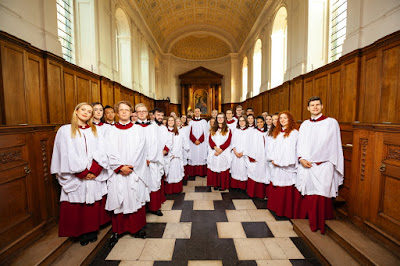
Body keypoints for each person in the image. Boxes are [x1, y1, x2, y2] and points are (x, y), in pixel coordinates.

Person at [51, 102, 109, 246]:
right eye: (83, 110)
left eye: (89, 111)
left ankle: (91, 230)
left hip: (93, 174)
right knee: (77, 203)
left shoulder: (95, 130)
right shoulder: (65, 130)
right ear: (76, 111)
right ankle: (80, 232)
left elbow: (102, 151)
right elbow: (64, 153)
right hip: (75, 175)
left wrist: (94, 170)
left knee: (91, 203)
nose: (86, 113)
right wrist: (81, 172)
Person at [296, 96, 344, 234]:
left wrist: (319, 158)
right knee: (311, 195)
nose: (315, 107)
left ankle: (322, 224)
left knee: (322, 195)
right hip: (308, 164)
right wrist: (301, 158)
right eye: (312, 105)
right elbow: (301, 144)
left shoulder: (331, 123)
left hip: (324, 164)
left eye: (317, 105)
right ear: (308, 108)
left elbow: (332, 144)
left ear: (322, 106)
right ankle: (313, 223)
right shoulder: (305, 124)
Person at [105, 101, 148, 246]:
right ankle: (118, 230)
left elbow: (140, 150)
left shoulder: (138, 130)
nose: (124, 112)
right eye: (121, 110)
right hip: (116, 172)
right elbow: (108, 151)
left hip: (133, 171)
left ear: (131, 113)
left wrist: (129, 166)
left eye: (127, 110)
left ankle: (137, 228)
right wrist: (118, 167)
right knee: (118, 198)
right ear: (117, 112)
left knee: (134, 197)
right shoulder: (110, 131)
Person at [267, 111, 299, 219]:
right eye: (281, 118)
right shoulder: (277, 132)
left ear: (290, 119)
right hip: (276, 164)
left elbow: (291, 151)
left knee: (285, 189)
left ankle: (285, 211)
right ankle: (275, 208)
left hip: (286, 167)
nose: (283, 120)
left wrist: (281, 163)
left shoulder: (294, 133)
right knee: (276, 187)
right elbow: (271, 148)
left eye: (285, 118)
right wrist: (272, 159)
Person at [137, 106, 168, 217]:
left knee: (154, 184)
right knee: (140, 185)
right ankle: (142, 208)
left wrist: (150, 158)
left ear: (147, 113)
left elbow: (156, 144)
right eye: (139, 111)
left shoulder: (153, 127)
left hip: (152, 161)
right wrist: (141, 159)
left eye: (144, 111)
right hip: (138, 162)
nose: (142, 113)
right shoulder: (133, 127)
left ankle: (155, 207)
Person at [207, 113, 232, 191]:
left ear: (224, 119)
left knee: (223, 168)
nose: (220, 119)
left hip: (223, 152)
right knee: (215, 167)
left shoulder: (228, 129)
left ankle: (223, 185)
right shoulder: (212, 129)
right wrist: (215, 148)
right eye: (218, 117)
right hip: (214, 151)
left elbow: (228, 141)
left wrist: (221, 149)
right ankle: (216, 184)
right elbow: (210, 140)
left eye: (222, 117)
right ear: (216, 119)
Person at [246, 116, 270, 199]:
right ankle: (253, 193)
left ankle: (263, 194)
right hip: (256, 156)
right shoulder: (253, 132)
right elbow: (249, 144)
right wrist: (251, 156)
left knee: (264, 173)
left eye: (261, 122)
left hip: (265, 157)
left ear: (264, 122)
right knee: (255, 173)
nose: (260, 124)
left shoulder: (267, 132)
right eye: (258, 122)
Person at [164, 116, 187, 194]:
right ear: (167, 122)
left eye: (172, 120)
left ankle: (177, 189)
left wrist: (175, 154)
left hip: (176, 156)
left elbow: (179, 144)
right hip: (167, 156)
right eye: (169, 120)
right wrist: (169, 154)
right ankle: (169, 190)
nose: (170, 122)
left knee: (176, 172)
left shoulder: (178, 132)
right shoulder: (164, 132)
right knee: (169, 173)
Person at [230, 116, 250, 191]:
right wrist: (235, 151)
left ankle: (242, 187)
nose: (241, 122)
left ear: (246, 121)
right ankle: (235, 186)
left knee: (243, 169)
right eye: (240, 121)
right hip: (236, 154)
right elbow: (233, 142)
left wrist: (243, 153)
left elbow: (250, 144)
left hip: (244, 154)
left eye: (243, 121)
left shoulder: (249, 131)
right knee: (236, 168)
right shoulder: (236, 130)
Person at [187, 108, 209, 177]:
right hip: (193, 143)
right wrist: (194, 140)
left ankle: (201, 173)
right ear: (194, 113)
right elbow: (189, 133)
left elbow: (205, 132)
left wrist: (200, 140)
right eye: (195, 111)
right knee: (193, 156)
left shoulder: (204, 121)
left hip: (201, 143)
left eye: (198, 111)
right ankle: (193, 173)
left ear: (200, 112)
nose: (197, 113)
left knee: (201, 156)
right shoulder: (191, 122)